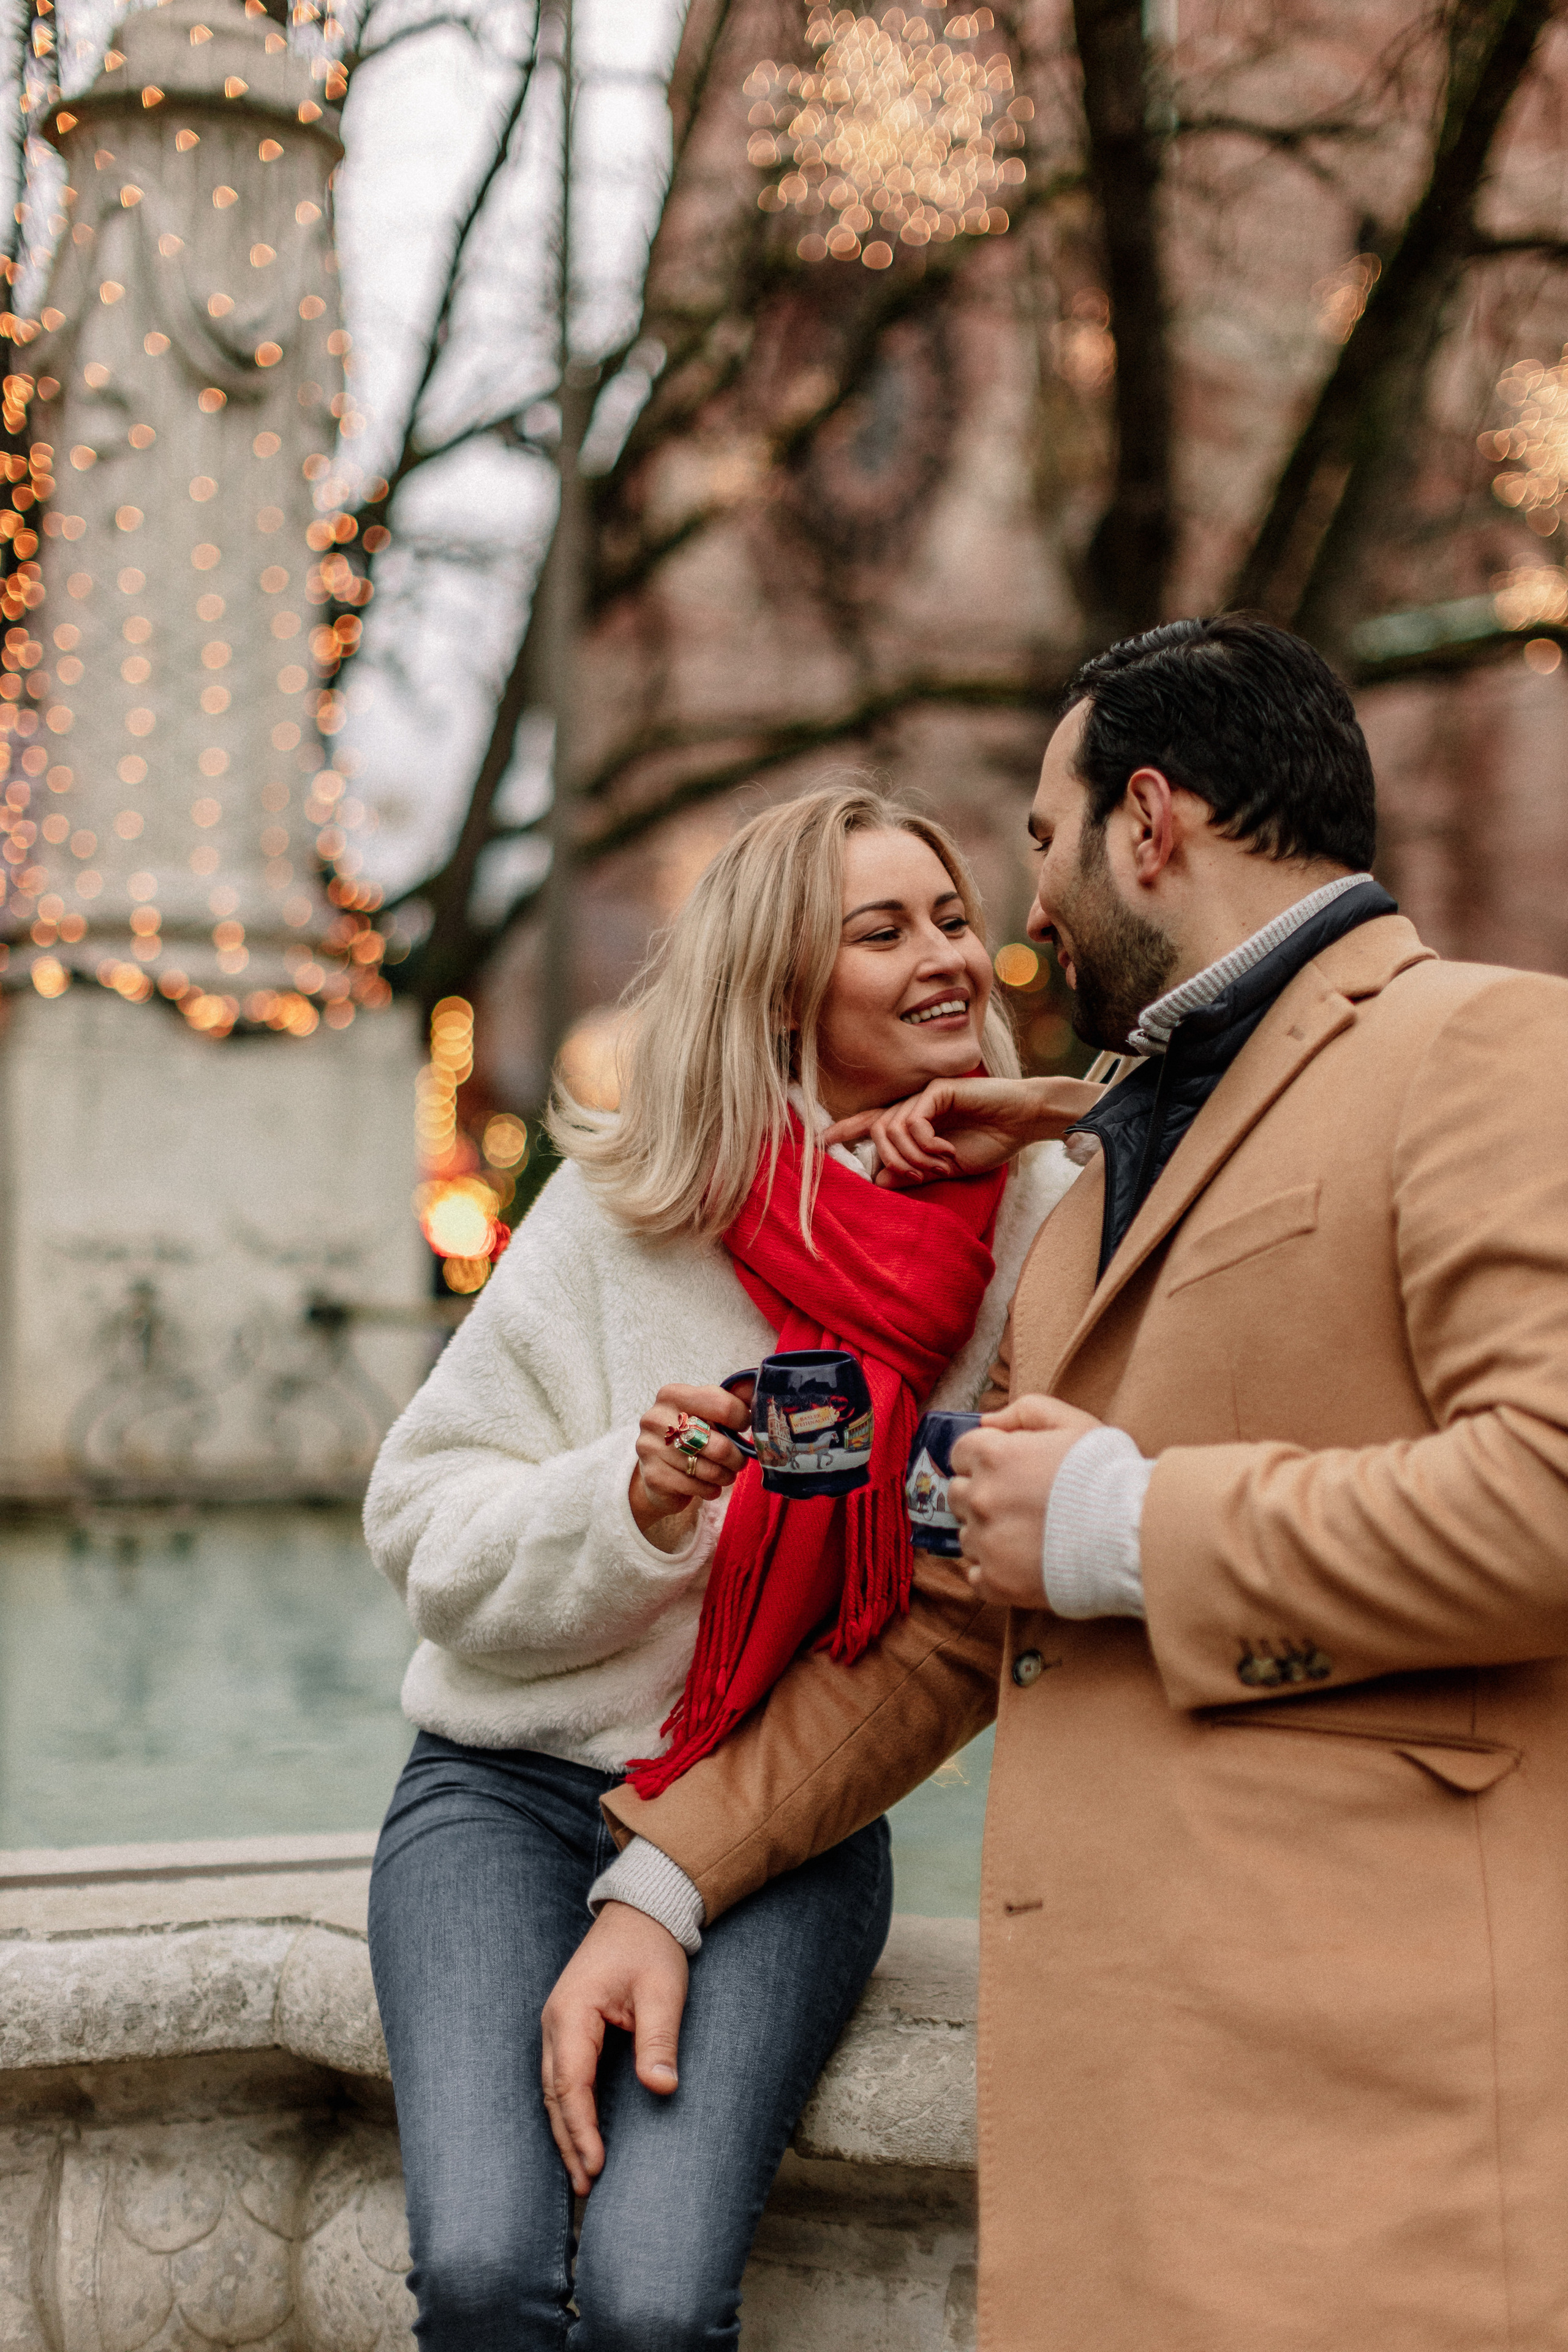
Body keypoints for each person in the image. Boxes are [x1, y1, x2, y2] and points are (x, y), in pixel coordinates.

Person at [545, 616, 1568, 2352]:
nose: (1025, 916)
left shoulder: (1492, 1047)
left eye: (1039, 842)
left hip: (1380, 2147)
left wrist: (1131, 1527)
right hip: (1121, 2141)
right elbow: (956, 1608)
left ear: (1148, 823)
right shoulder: (1092, 1182)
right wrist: (662, 1881)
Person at [361, 781, 1082, 2351]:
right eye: (880, 932)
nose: (946, 958)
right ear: (779, 987)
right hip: (508, 1791)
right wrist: (629, 1504)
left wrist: (1042, 1118)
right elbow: (419, 1527)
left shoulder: (1042, 1220)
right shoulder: (634, 1205)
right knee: (486, 2271)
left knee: (652, 2300)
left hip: (781, 1818)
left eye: (953, 918)